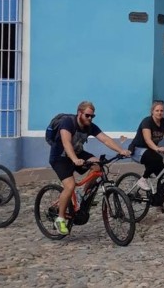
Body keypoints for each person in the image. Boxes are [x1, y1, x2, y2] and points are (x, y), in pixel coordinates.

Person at [48, 101, 131, 236]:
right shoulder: (68, 123)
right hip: (60, 157)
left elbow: (105, 139)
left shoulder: (89, 126)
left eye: (92, 116)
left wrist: (120, 150)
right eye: (87, 116)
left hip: (78, 153)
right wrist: (74, 159)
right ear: (80, 113)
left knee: (97, 165)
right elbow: (66, 143)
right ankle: (60, 218)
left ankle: (83, 196)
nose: (90, 119)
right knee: (69, 186)